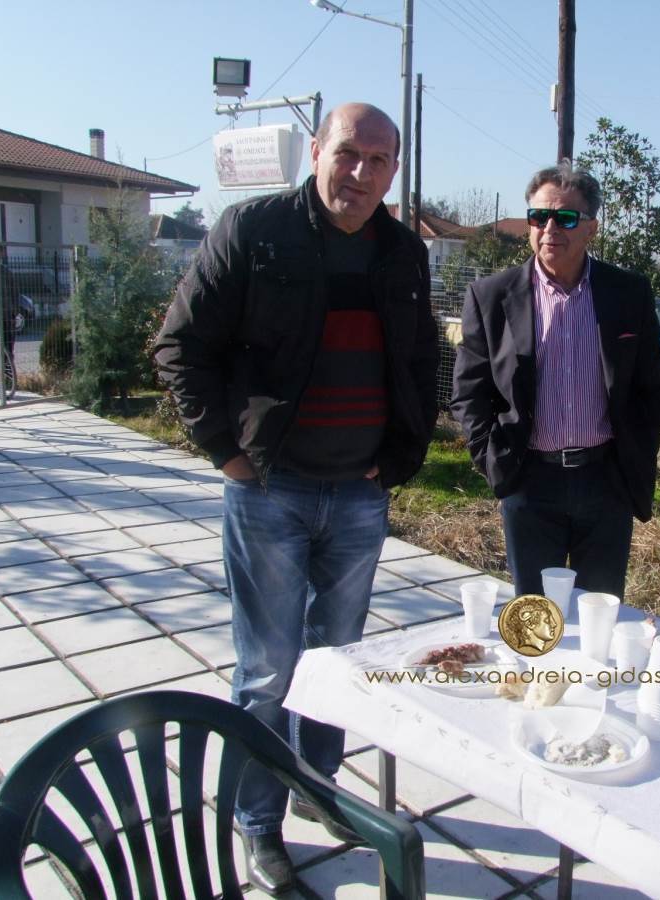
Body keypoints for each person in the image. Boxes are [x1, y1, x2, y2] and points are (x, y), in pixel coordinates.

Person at [154, 102, 438, 896]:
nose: (361, 172)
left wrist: (403, 455)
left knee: (339, 663)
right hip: (271, 491)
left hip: (359, 496)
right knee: (268, 672)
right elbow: (182, 344)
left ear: (393, 170)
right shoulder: (254, 230)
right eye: (348, 153)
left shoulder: (403, 252)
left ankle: (319, 789)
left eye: (379, 160)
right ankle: (258, 823)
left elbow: (420, 359)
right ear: (316, 151)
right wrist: (226, 453)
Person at [451, 161, 660, 602]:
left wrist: (635, 450)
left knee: (600, 615)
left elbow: (655, 386)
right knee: (536, 618)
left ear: (591, 227)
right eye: (539, 217)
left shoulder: (627, 293)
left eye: (565, 217)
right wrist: (494, 460)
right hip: (529, 482)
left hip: (606, 483)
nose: (550, 228)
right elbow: (468, 392)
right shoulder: (491, 297)